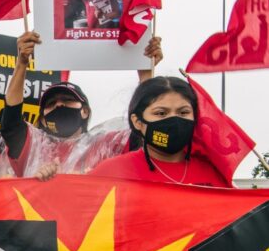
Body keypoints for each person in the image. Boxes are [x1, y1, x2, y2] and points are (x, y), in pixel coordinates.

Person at [0, 30, 164, 178]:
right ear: (43, 119)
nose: (59, 105)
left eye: (68, 100)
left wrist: (146, 76)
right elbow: (11, 123)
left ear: (85, 111)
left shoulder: (107, 144)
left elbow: (144, 131)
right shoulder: (32, 145)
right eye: (51, 103)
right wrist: (22, 63)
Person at [88, 76, 229, 187]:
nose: (174, 120)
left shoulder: (213, 174)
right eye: (161, 113)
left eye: (183, 112)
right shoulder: (110, 173)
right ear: (137, 122)